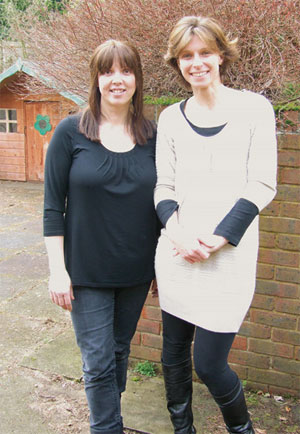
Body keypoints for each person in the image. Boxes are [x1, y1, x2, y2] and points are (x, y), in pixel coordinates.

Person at [154, 16, 277, 434]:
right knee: (172, 356)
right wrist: (178, 233)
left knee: (208, 363)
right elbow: (163, 186)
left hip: (227, 261)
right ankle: (181, 429)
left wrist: (218, 238)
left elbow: (262, 183)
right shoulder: (170, 117)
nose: (197, 62)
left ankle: (241, 430)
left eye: (205, 52)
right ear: (177, 63)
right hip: (176, 254)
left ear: (221, 54)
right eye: (187, 56)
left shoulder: (254, 108)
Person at [43, 39, 158, 434]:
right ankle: (106, 427)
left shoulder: (152, 136)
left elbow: (163, 202)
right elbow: (51, 208)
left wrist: (162, 264)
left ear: (137, 79)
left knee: (118, 352)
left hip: (136, 270)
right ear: (95, 78)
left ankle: (110, 414)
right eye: (107, 71)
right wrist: (57, 271)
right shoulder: (70, 132)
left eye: (126, 70)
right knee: (97, 360)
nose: (117, 79)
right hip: (85, 272)